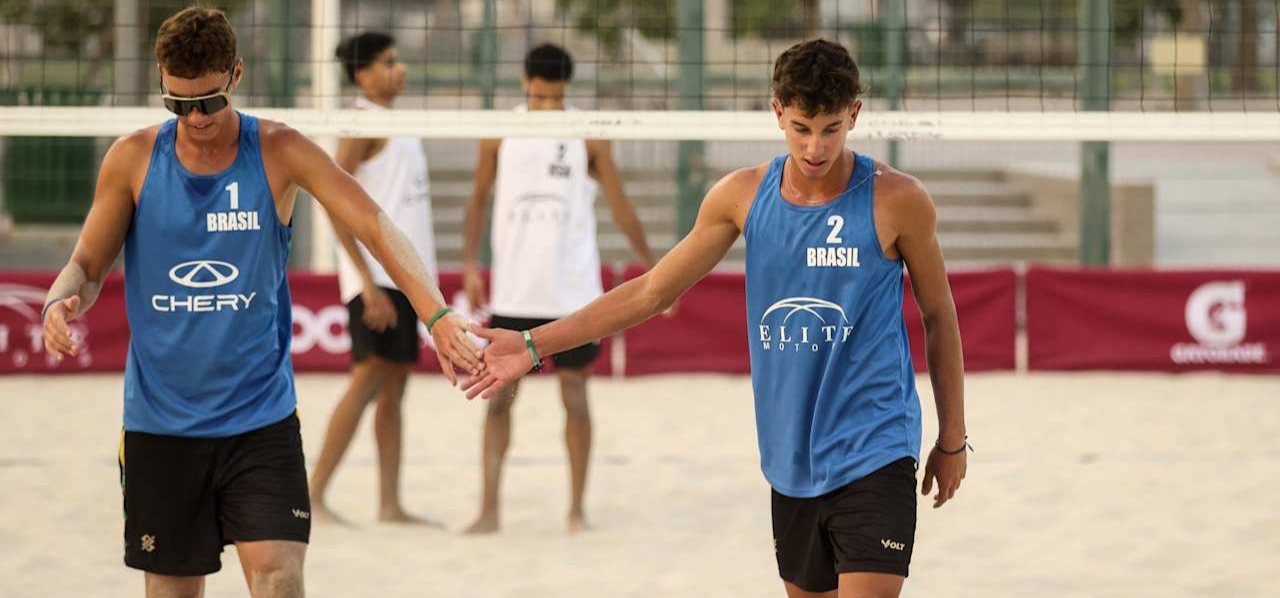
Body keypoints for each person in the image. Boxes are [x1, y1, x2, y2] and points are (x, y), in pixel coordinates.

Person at [467, 39, 968, 598]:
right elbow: (653, 291)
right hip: (790, 456)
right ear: (777, 111)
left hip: (877, 444)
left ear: (855, 113)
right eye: (802, 127)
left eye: (830, 128)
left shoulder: (897, 199)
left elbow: (939, 314)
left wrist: (952, 438)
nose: (815, 146)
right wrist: (534, 344)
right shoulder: (741, 195)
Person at [39, 7, 481, 598]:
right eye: (177, 104)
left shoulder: (278, 150)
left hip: (260, 420)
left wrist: (437, 312)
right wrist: (60, 299)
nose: (194, 118)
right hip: (161, 425)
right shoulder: (132, 158)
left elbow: (377, 227)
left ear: (236, 75)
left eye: (208, 102)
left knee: (278, 576)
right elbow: (88, 266)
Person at [461, 43, 661, 534]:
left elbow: (619, 203)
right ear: (525, 84)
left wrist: (655, 268)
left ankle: (576, 509)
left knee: (575, 398)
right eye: (541, 96)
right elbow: (478, 200)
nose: (548, 106)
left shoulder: (587, 134)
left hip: (572, 294)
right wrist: (469, 262)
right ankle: (488, 510)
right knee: (500, 399)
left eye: (556, 98)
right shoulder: (499, 132)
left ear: (567, 90)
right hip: (514, 291)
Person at [308, 32, 440, 526]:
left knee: (393, 389)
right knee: (367, 380)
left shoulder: (399, 122)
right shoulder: (361, 124)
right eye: (389, 62)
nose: (400, 68)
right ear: (363, 75)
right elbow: (332, 200)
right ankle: (314, 495)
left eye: (399, 60)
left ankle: (390, 504)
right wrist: (365, 281)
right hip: (379, 279)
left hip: (407, 278)